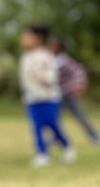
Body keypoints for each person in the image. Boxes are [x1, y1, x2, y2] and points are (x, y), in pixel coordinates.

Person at [19, 25, 74, 168]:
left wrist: (43, 78)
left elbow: (53, 76)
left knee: (52, 124)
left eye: (27, 37)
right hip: (32, 99)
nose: (24, 40)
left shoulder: (46, 56)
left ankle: (67, 146)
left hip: (49, 98)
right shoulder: (25, 58)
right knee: (37, 127)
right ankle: (43, 154)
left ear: (38, 39)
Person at [49, 38, 100, 145]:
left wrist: (79, 86)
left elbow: (79, 72)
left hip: (68, 94)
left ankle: (94, 135)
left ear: (60, 48)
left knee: (79, 115)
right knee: (55, 117)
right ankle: (56, 138)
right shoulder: (53, 60)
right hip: (58, 94)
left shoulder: (64, 61)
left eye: (53, 46)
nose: (51, 48)